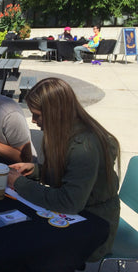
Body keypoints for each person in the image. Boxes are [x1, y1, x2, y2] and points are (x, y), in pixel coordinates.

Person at [7, 78, 120, 262]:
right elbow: (74, 177)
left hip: (95, 227)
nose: (34, 121)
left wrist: (19, 183)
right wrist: (37, 171)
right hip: (86, 212)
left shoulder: (84, 146)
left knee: (22, 238)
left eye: (37, 115)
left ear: (55, 113)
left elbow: (69, 202)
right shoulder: (72, 134)